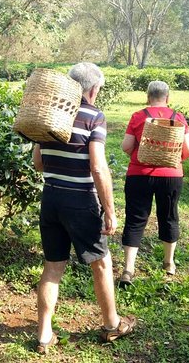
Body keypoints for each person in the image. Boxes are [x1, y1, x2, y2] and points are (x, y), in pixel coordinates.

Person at [32, 62, 136, 355]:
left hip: (51, 198)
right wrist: (110, 210)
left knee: (53, 267)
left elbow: (38, 163)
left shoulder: (51, 115)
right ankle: (112, 324)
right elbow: (99, 167)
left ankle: (43, 335)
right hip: (80, 201)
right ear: (93, 89)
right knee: (101, 263)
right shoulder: (94, 116)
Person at [119, 80, 189, 287]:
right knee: (169, 216)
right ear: (167, 98)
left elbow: (126, 146)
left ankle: (128, 269)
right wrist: (171, 160)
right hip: (171, 175)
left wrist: (138, 156)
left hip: (139, 174)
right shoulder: (178, 117)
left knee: (135, 219)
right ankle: (169, 264)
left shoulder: (138, 116)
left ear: (148, 96)